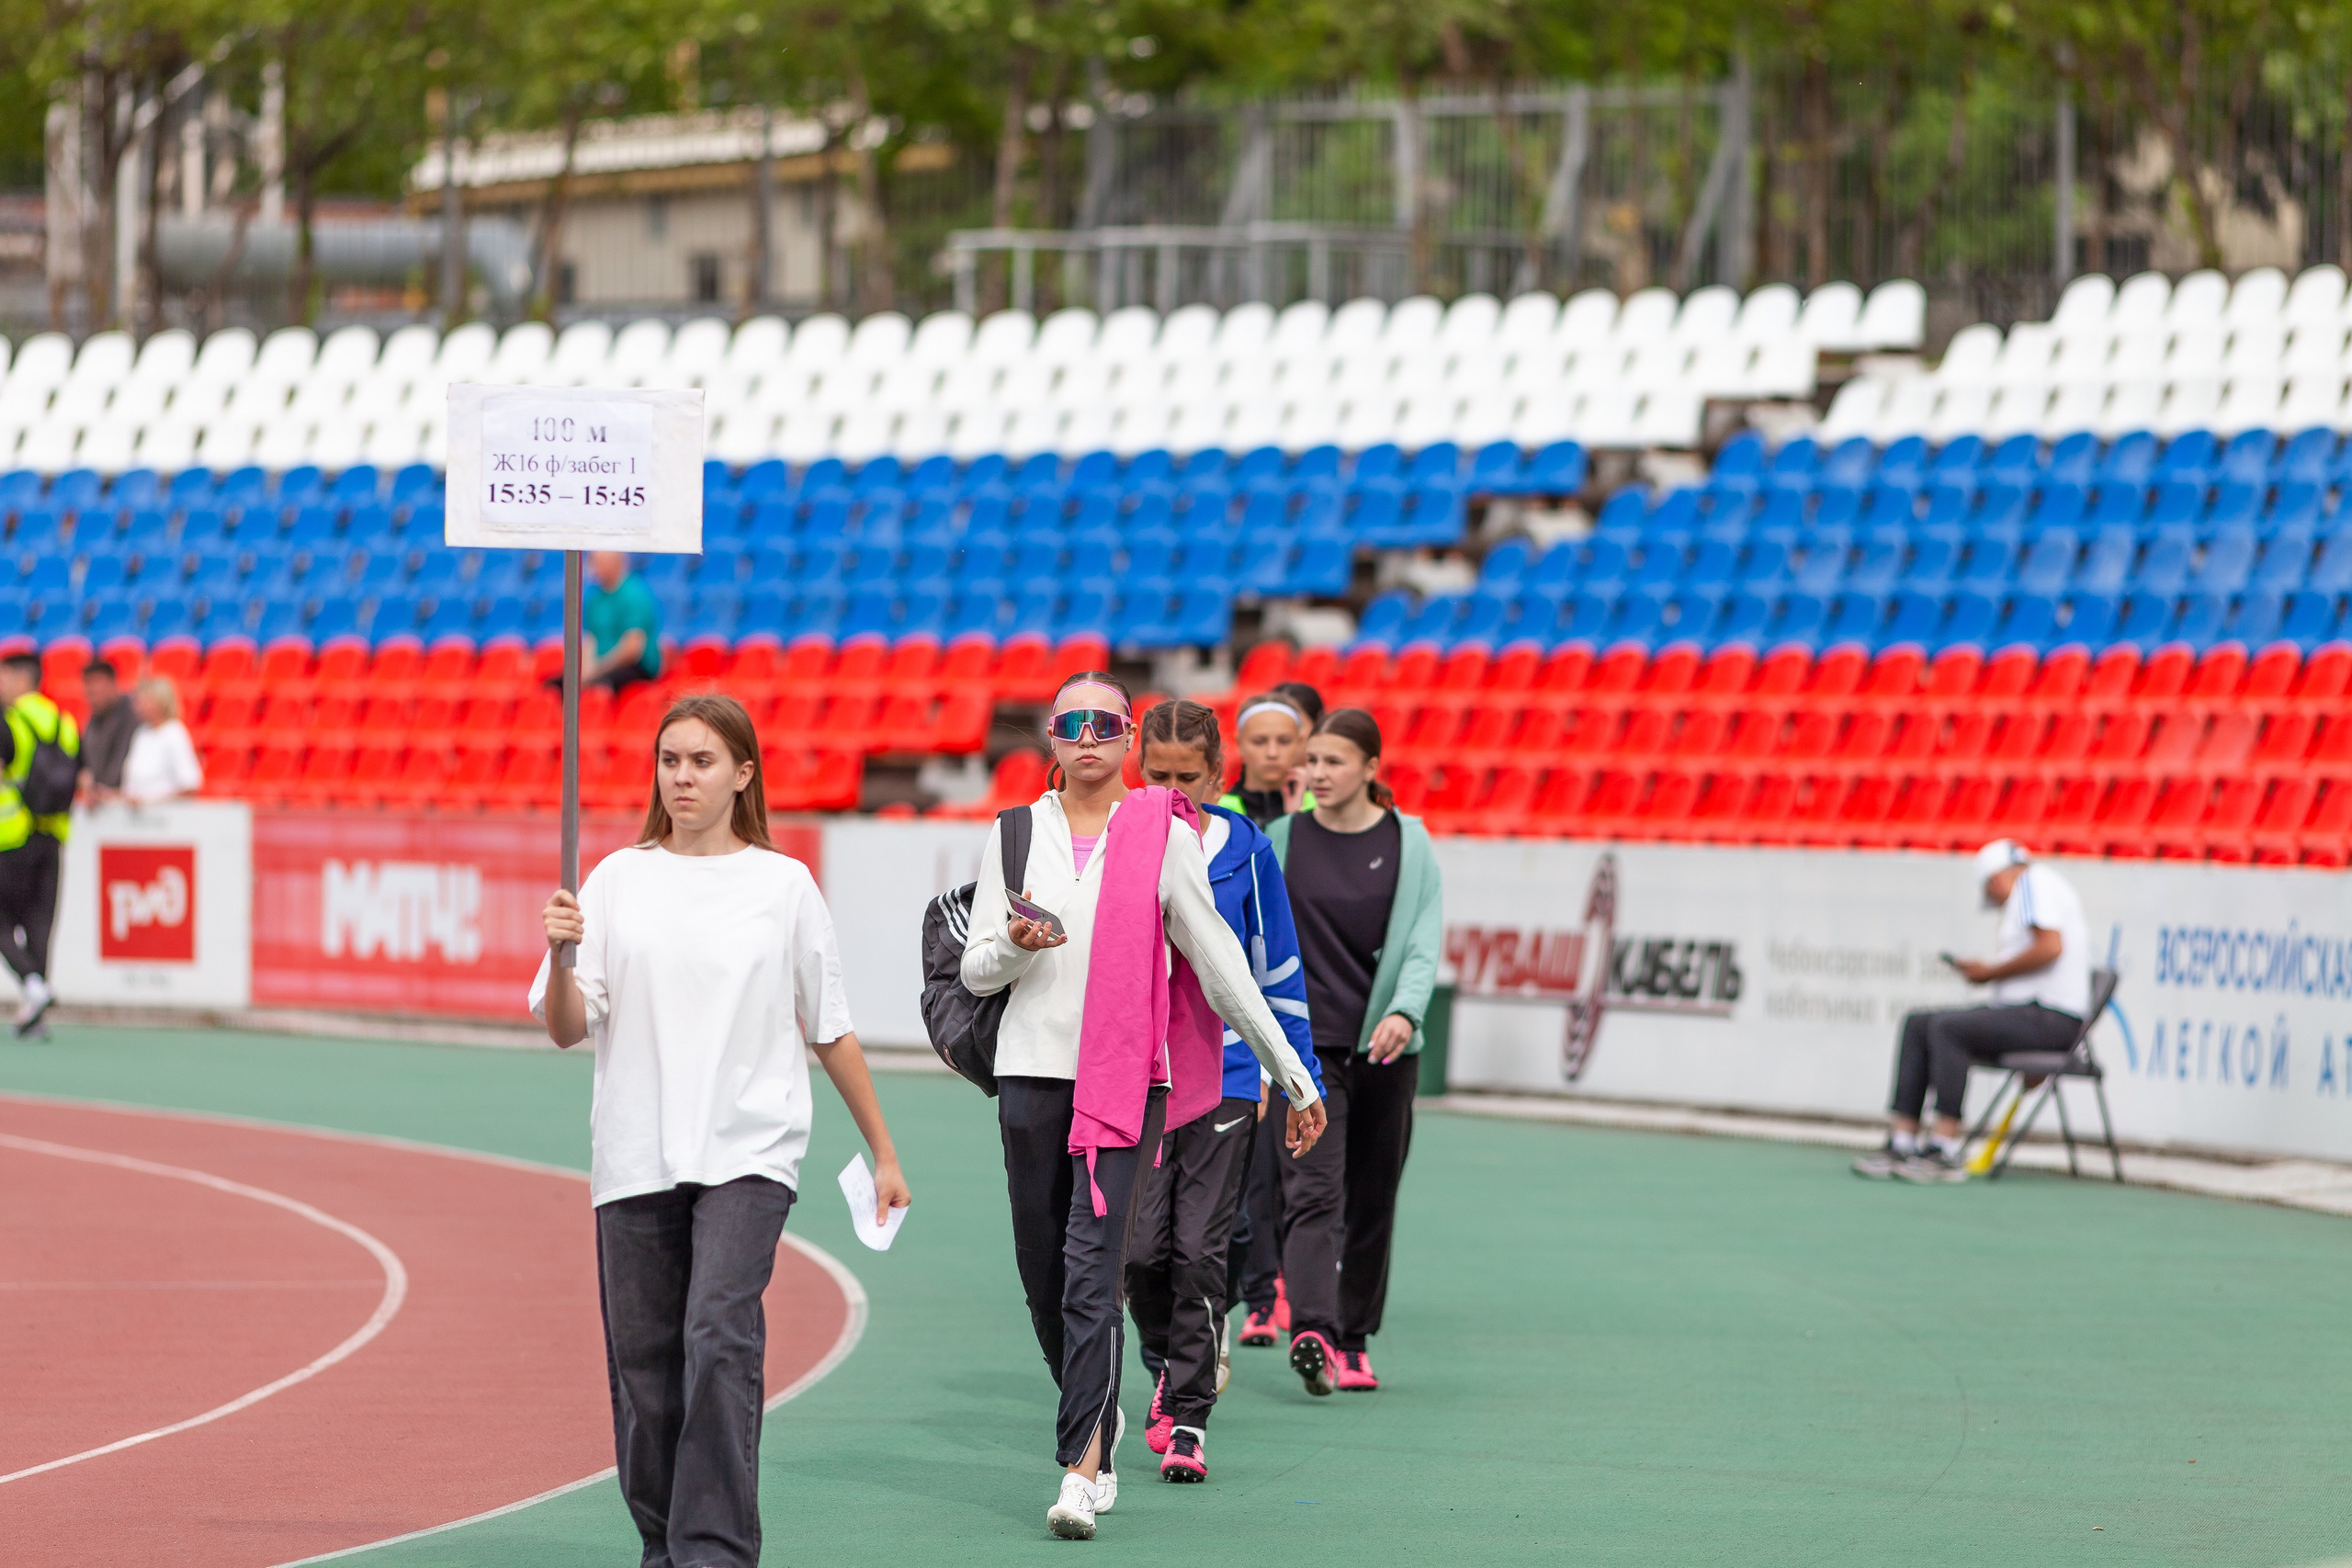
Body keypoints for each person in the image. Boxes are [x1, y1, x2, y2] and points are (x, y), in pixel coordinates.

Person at [533, 694, 910, 1568]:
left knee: (717, 1335)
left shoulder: (783, 886)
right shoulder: (617, 880)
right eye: (670, 760)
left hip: (749, 1151)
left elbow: (830, 1026)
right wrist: (559, 955)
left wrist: (883, 1150)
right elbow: (562, 1026)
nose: (682, 777)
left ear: (744, 774)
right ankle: (662, 1545)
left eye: (702, 761)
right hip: (634, 1154)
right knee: (645, 1368)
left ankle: (717, 1552)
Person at [961, 671, 1326, 1540]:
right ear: (1051, 738)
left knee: (1094, 1270)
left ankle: (1083, 1466)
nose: (1088, 738)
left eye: (1104, 724)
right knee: (1043, 1272)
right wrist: (1014, 943)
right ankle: (1096, 1407)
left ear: (1127, 739)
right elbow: (975, 969)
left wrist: (1292, 1072)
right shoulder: (1014, 835)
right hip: (1031, 1075)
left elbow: (1219, 957)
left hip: (1128, 1081)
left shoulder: (1162, 833)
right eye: (1070, 723)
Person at [1127, 698, 1322, 1483]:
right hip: (1138, 1075)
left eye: (1188, 777)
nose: (1173, 790)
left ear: (1217, 773)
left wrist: (1297, 1076)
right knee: (1140, 1254)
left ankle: (1191, 1421)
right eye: (1158, 775)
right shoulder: (1118, 838)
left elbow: (1276, 968)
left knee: (1200, 1249)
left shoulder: (1245, 848)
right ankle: (1169, 1366)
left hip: (1232, 1075)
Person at [1268, 707, 1442, 1397]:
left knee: (1372, 1197)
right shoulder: (1282, 838)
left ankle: (1355, 1336)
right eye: (1312, 761)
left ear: (1372, 768)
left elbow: (1426, 940)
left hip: (1385, 1052)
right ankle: (1313, 1327)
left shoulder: (1412, 842)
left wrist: (1405, 1010)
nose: (1318, 774)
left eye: (1334, 762)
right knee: (1312, 1191)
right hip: (1305, 1055)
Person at [1853, 839, 2091, 1185]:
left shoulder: (2032, 883)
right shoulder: (2040, 886)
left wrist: (1990, 973)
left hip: (2050, 1019)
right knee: (1919, 1023)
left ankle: (1945, 1147)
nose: (1994, 900)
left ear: (1994, 881)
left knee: (1949, 1028)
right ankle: (1902, 1140)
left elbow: (2051, 947)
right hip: (2035, 1015)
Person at [0, 653, 78, 1038]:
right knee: (40, 926)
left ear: (17, 677)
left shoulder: (11, 721)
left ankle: (34, 986)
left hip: (12, 836)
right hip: (53, 835)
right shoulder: (64, 723)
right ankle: (35, 1015)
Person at [1219, 691, 1315, 827]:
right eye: (1259, 742)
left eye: (1284, 741)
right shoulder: (1219, 811)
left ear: (1299, 743)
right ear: (1239, 744)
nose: (1272, 753)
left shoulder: (1322, 808)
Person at [578, 550, 664, 693]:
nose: (592, 567)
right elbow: (590, 639)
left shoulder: (634, 594)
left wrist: (598, 670)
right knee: (558, 686)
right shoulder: (595, 597)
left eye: (597, 562)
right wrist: (584, 672)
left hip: (635, 668)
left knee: (600, 687)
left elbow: (632, 649)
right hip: (600, 668)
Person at [118, 679, 204, 805]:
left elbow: (189, 786)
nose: (137, 707)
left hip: (166, 820)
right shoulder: (141, 733)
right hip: (138, 821)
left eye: (143, 701)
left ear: (160, 702)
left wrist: (150, 802)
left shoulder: (174, 733)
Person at [76, 659, 136, 799]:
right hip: (101, 800)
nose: (91, 690)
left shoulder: (130, 714)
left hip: (122, 800)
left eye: (96, 682)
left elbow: (122, 760)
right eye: (87, 683)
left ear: (112, 682)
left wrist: (100, 789)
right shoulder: (93, 720)